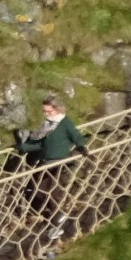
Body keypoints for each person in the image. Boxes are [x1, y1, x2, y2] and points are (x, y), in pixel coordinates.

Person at [16, 97, 87, 250]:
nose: (46, 113)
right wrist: (24, 147)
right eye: (45, 111)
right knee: (40, 190)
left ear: (58, 109)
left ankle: (57, 219)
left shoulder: (64, 123)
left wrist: (82, 147)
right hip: (46, 161)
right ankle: (57, 218)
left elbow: (76, 136)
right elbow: (41, 143)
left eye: (49, 110)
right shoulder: (47, 125)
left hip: (60, 161)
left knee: (49, 189)